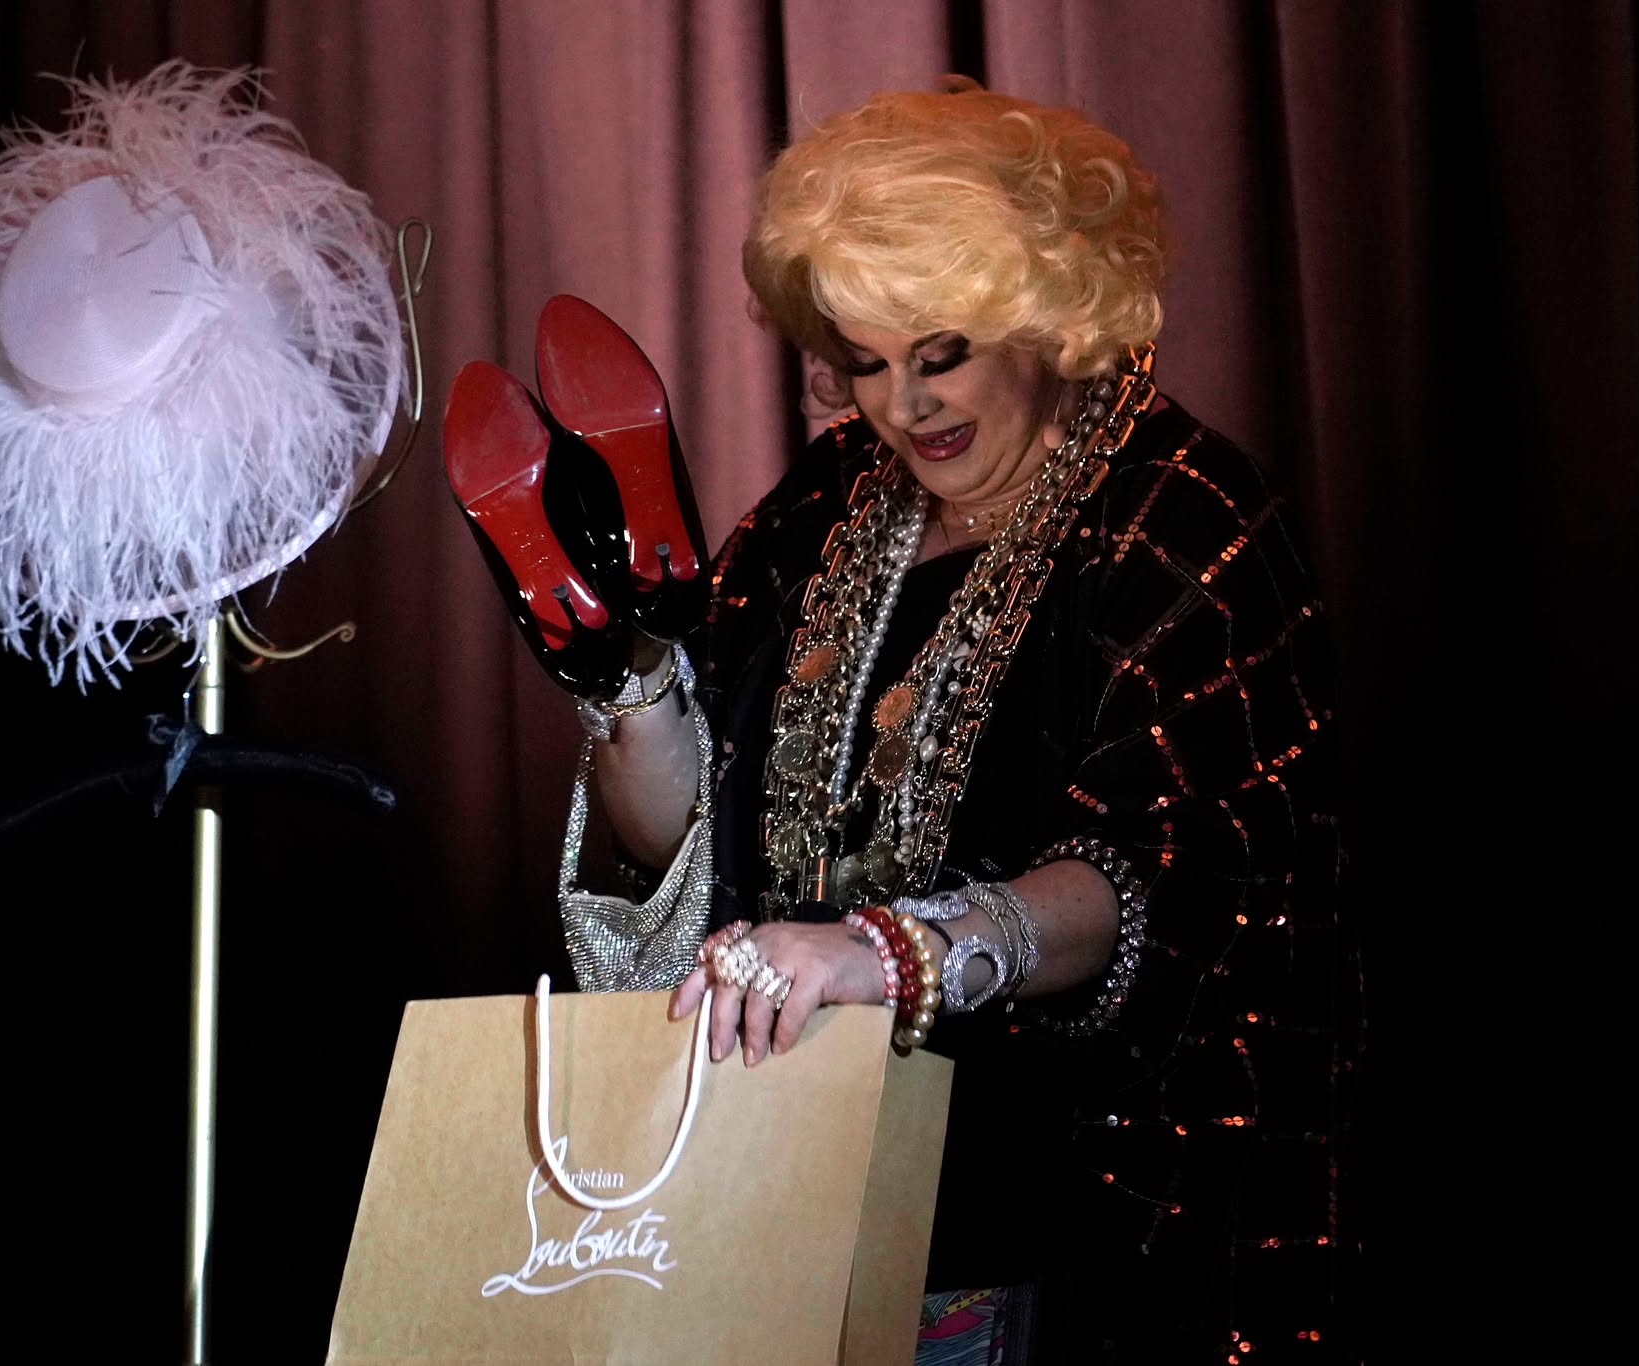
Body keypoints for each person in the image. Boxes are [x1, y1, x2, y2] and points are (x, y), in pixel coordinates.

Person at [447, 78, 1358, 1365]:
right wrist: (626, 682)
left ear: (1045, 315)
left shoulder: (1182, 513)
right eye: (864, 365)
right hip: (789, 1187)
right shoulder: (833, 496)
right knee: (644, 666)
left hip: (1065, 1214)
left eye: (941, 356)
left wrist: (891, 953)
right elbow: (678, 846)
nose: (901, 408)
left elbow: (1169, 878)